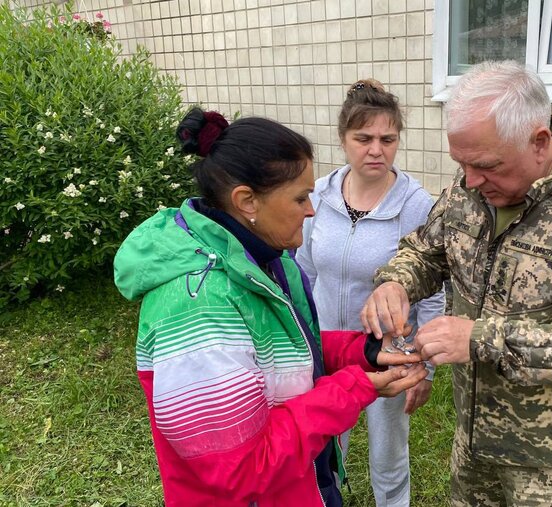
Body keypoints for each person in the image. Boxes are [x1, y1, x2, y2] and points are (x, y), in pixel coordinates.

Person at [360, 61, 552, 506]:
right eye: (461, 164)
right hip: (474, 440)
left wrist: (481, 339)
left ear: (539, 141)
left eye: (485, 166)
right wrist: (395, 283)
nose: (470, 181)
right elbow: (427, 250)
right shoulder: (474, 182)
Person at [113, 108, 429, 506]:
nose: (311, 210)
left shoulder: (268, 259)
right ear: (247, 201)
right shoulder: (199, 307)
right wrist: (352, 389)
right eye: (300, 198)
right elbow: (242, 470)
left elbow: (286, 347)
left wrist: (363, 352)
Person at [297, 79, 445, 507]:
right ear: (343, 139)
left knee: (388, 453)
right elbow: (305, 271)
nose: (376, 150)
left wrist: (425, 367)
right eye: (364, 139)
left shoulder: (416, 205)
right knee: (324, 444)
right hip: (327, 347)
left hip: (389, 352)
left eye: (388, 139)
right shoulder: (319, 196)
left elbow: (432, 293)